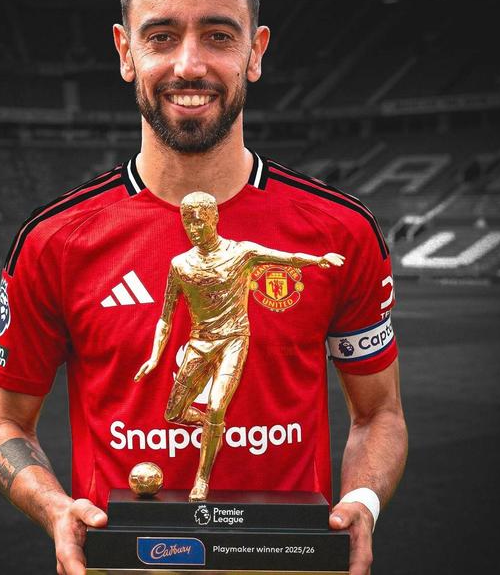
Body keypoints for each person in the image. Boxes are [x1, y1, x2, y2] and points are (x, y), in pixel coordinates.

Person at [0, 0, 407, 575]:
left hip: (288, 563)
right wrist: (54, 508)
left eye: (218, 36)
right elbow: (4, 425)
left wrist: (363, 502)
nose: (188, 65)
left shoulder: (341, 233)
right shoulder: (53, 242)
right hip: (126, 562)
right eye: (160, 37)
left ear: (255, 52)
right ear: (125, 52)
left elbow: (379, 414)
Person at [135, 190, 345, 500]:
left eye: (199, 221)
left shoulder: (242, 253)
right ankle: (213, 428)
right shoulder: (180, 265)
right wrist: (155, 356)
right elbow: (166, 317)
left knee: (217, 405)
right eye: (187, 223)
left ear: (214, 219)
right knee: (174, 413)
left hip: (233, 339)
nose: (193, 229)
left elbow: (285, 257)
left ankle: (201, 480)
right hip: (200, 342)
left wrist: (318, 260)